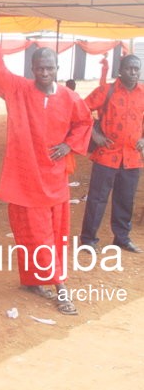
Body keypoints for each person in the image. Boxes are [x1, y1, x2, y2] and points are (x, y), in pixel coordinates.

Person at [0, 5, 93, 315]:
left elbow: (85, 123)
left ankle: (53, 283)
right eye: (39, 68)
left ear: (57, 69)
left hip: (55, 181)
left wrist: (69, 146)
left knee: (53, 235)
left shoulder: (70, 98)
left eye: (50, 68)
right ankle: (47, 284)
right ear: (32, 69)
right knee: (31, 233)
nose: (44, 73)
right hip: (24, 180)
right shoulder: (18, 90)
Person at [80, 54, 144, 254]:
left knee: (125, 199)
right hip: (107, 155)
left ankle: (122, 238)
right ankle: (88, 239)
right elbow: (80, 109)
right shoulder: (106, 91)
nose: (133, 72)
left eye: (136, 69)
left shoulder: (143, 93)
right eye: (129, 68)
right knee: (97, 199)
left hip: (133, 157)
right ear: (120, 70)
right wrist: (94, 134)